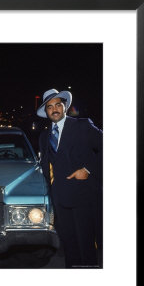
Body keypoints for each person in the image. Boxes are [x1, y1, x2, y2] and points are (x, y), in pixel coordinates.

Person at [37, 88, 102, 268]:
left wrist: (88, 169)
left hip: (84, 197)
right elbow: (46, 167)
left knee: (86, 247)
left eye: (58, 104)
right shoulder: (44, 136)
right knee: (70, 248)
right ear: (46, 111)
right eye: (50, 107)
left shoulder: (82, 125)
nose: (54, 109)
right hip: (60, 201)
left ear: (65, 106)